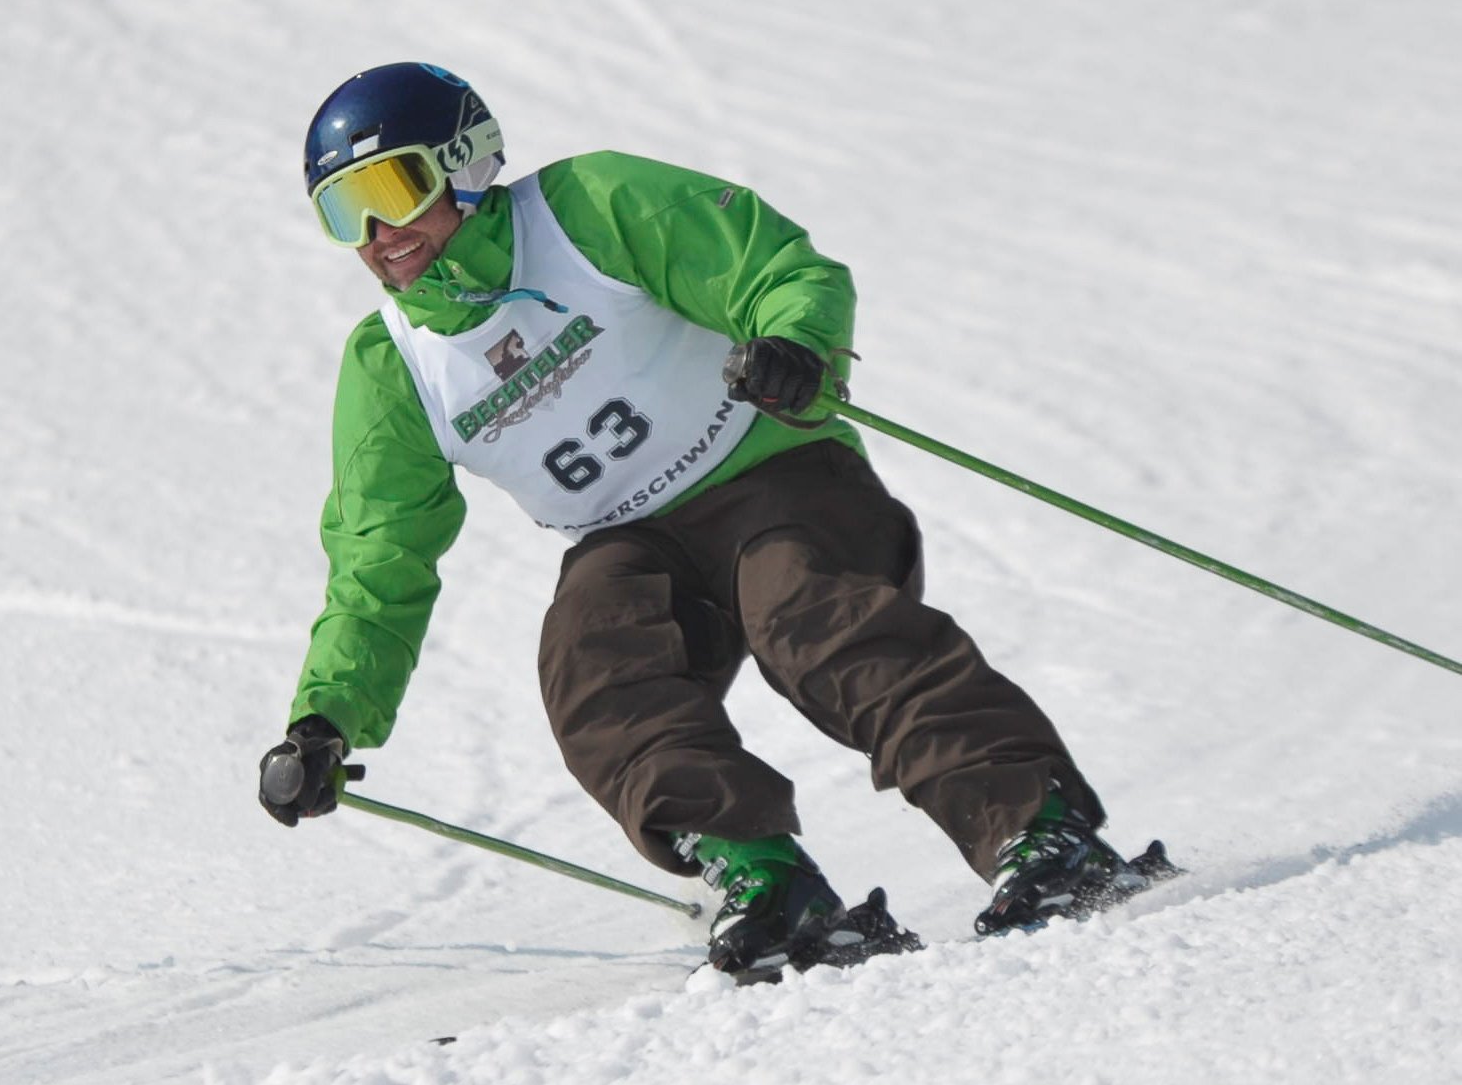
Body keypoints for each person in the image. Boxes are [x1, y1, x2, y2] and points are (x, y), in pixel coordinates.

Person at [258, 61, 1167, 978]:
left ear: (465, 164)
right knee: (591, 660)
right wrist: (326, 719)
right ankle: (768, 882)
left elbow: (775, 268)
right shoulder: (394, 367)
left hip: (774, 474)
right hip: (631, 540)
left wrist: (794, 345)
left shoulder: (584, 210)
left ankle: (1035, 826)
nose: (379, 235)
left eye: (392, 191)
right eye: (343, 213)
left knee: (809, 616)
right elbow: (379, 558)